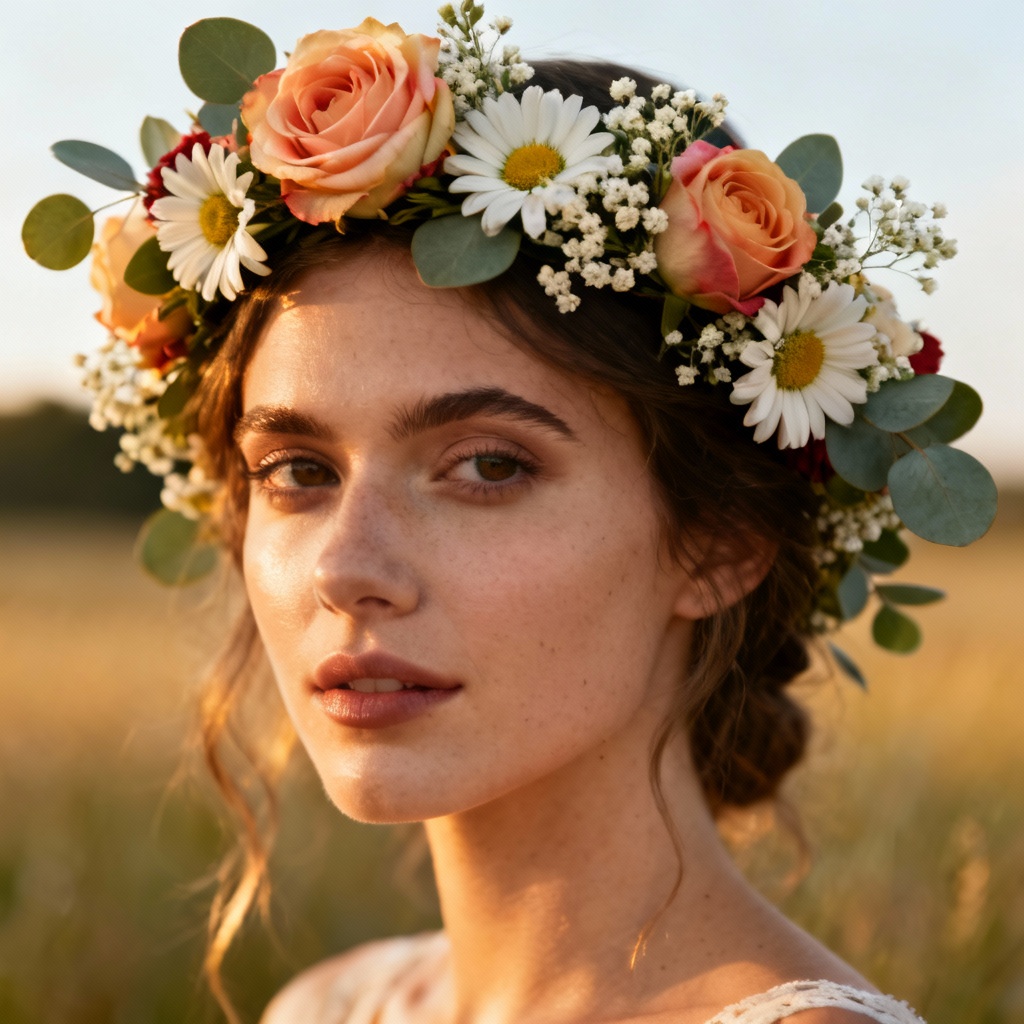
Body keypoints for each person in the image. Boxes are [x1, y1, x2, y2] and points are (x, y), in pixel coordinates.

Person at [24, 5, 994, 1023]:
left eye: (487, 464)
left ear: (722, 538)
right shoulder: (328, 1007)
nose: (344, 567)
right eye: (299, 469)